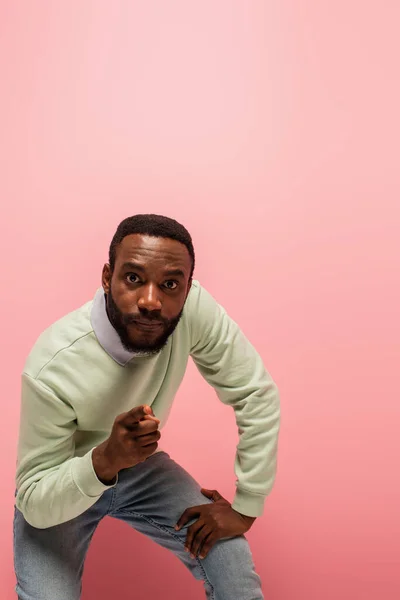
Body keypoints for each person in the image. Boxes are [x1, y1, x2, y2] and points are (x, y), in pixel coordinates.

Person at [13, 214, 280, 600]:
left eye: (170, 284)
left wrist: (246, 506)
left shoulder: (193, 310)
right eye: (133, 278)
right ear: (107, 278)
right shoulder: (52, 363)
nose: (151, 301)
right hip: (60, 479)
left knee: (232, 566)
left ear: (188, 290)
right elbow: (36, 502)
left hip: (140, 469)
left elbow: (255, 393)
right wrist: (104, 458)